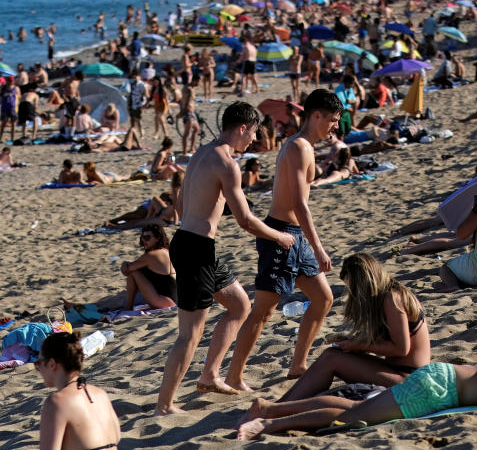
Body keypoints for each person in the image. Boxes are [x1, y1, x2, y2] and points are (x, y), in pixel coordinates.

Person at [155, 102, 294, 415]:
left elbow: (178, 202)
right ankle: (164, 406)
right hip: (195, 249)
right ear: (242, 128)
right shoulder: (227, 164)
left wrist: (198, 215)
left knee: (240, 304)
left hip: (193, 244)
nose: (253, 141)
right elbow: (245, 219)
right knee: (189, 334)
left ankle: (210, 375)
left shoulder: (201, 153)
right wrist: (279, 236)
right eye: (254, 134)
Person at [236, 348, 477, 440]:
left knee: (358, 407)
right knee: (353, 418)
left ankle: (271, 406)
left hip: (443, 375)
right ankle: (267, 424)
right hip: (441, 391)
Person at [226, 90, 341, 392]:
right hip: (281, 235)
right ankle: (234, 376)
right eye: (332, 120)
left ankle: (298, 364)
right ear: (316, 115)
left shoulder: (306, 146)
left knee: (324, 298)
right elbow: (300, 204)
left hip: (296, 235)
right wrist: (319, 247)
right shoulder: (299, 147)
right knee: (264, 310)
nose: (335, 127)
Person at [278, 253, 430, 403]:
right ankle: (281, 405)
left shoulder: (393, 298)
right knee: (331, 355)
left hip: (411, 380)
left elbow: (401, 348)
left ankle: (280, 407)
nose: (354, 294)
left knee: (331, 359)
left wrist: (359, 345)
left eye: (353, 288)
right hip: (397, 371)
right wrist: (355, 344)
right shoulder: (388, 295)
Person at [36, 332, 120, 450]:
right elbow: (117, 438)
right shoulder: (101, 395)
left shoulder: (57, 403)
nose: (38, 368)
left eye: (38, 363)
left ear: (52, 363)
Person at [120, 225, 177, 310]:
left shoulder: (151, 255)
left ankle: (128, 307)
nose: (144, 241)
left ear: (157, 238)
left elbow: (127, 270)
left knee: (133, 272)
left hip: (163, 302)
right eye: (142, 237)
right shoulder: (166, 251)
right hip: (174, 300)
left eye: (147, 238)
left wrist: (124, 263)